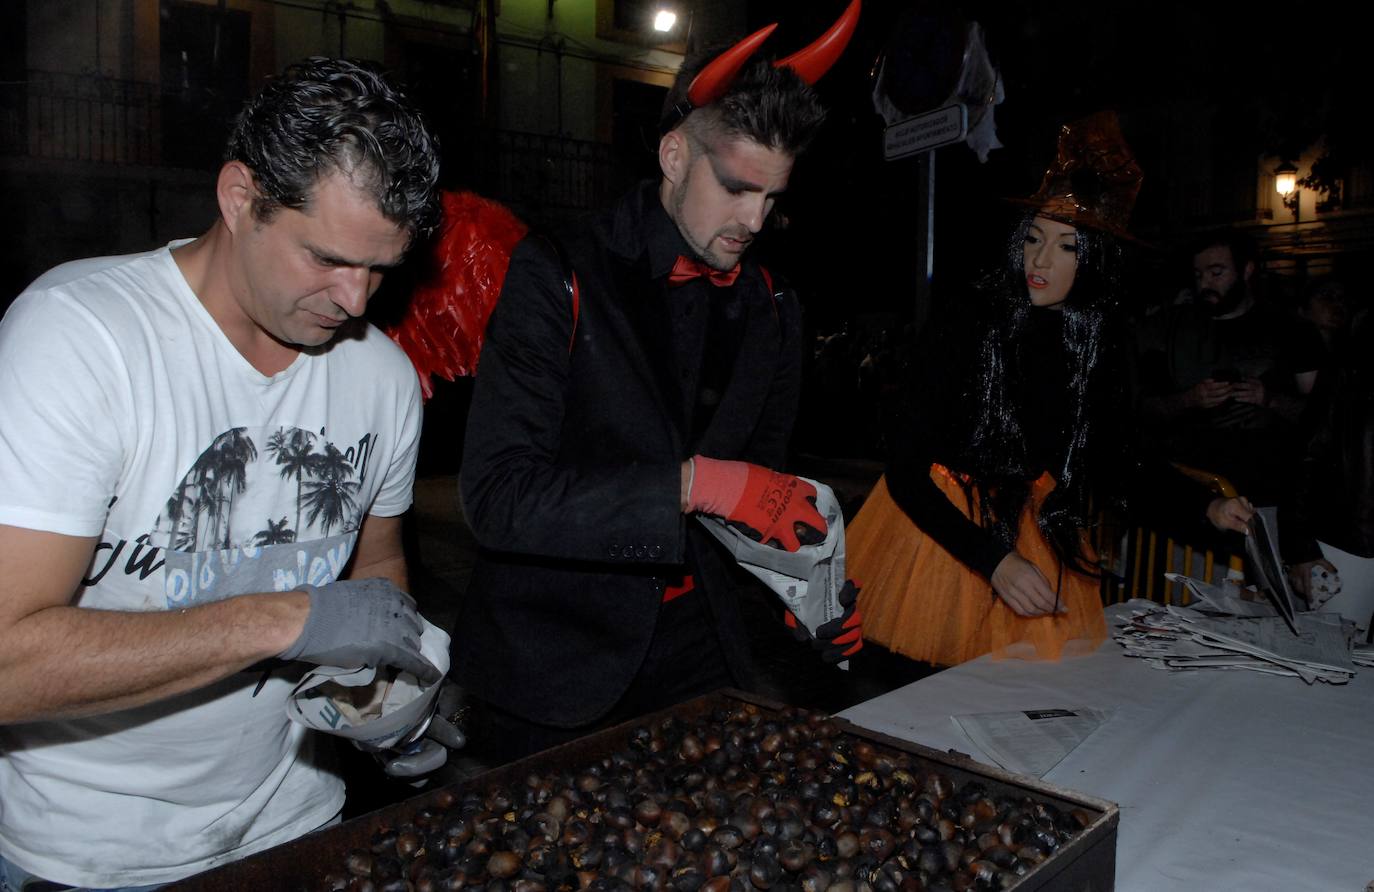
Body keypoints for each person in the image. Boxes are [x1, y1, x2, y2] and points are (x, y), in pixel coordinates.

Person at [0, 58, 446, 889]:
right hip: (89, 858)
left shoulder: (381, 377)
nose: (355, 301)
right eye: (326, 258)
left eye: (381, 270)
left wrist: (386, 699)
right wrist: (286, 621)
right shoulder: (80, 341)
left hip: (298, 824)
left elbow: (378, 563)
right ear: (240, 198)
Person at [454, 2, 864, 759]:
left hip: (701, 655)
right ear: (675, 154)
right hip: (552, 671)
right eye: (738, 186)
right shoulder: (557, 273)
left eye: (773, 197)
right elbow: (498, 500)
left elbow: (756, 500)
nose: (754, 217)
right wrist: (689, 483)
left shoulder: (773, 305)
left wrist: (812, 589)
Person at [845, 112, 1253, 668]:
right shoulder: (966, 322)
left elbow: (1115, 459)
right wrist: (992, 558)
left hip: (1034, 537)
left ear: (1097, 264)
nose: (1039, 260)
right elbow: (905, 470)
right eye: (1034, 238)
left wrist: (1206, 506)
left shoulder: (1096, 346)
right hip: (941, 540)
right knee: (917, 704)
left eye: (1067, 247)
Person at [1134, 230, 1324, 504]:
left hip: (1270, 492)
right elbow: (1142, 409)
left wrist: (1270, 399)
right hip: (1192, 494)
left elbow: (1323, 415)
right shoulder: (1169, 330)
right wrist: (1189, 400)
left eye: (1217, 272)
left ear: (1246, 270)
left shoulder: (1291, 330)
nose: (1205, 284)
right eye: (1199, 275)